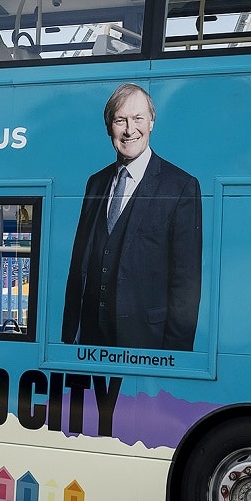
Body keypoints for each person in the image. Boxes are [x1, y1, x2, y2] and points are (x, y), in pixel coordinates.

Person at [62, 83, 202, 350]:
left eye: (138, 118)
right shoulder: (95, 183)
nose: (129, 129)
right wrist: (70, 337)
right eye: (120, 120)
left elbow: (186, 283)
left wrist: (174, 359)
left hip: (146, 345)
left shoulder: (181, 186)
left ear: (152, 123)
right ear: (109, 128)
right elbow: (78, 268)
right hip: (89, 343)